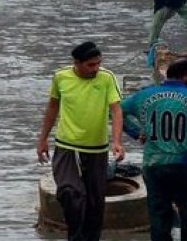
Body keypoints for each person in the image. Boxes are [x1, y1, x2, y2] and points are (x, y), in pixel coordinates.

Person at [36, 42, 124, 241]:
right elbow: (52, 107)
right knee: (70, 193)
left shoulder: (107, 77)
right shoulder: (61, 77)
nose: (96, 68)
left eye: (98, 63)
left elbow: (116, 110)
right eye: (91, 65)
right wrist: (42, 139)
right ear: (77, 63)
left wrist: (117, 142)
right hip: (67, 146)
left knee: (95, 202)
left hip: (97, 149)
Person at [121, 59, 187, 241]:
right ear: (185, 76)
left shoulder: (144, 95)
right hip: (184, 165)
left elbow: (116, 111)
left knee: (159, 216)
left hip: (153, 165)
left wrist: (136, 132)